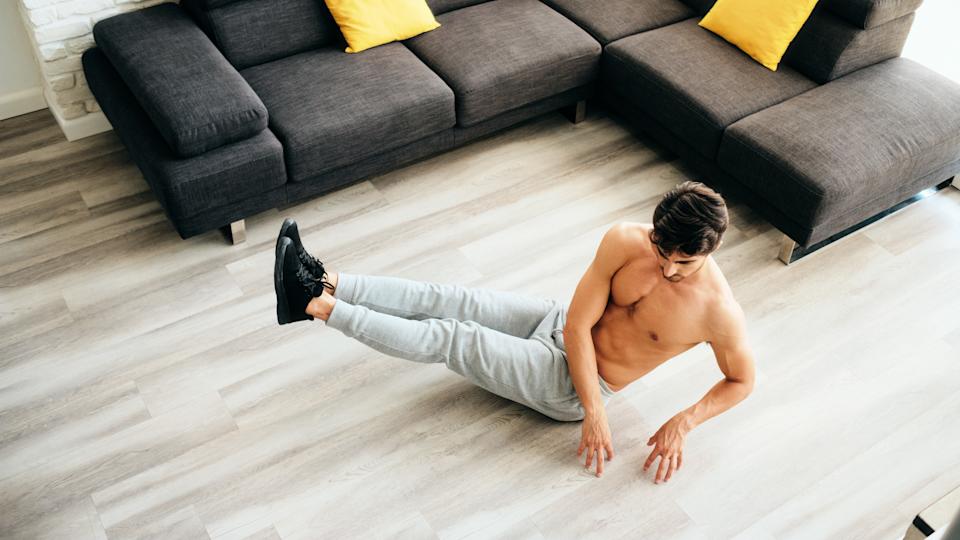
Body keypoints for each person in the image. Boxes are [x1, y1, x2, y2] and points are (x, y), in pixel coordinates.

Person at [274, 181, 756, 484]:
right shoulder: (625, 239)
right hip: (560, 324)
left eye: (685, 262)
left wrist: (684, 420)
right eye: (662, 251)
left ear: (710, 251)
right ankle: (327, 279)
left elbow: (743, 380)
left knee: (454, 336)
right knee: (453, 298)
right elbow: (578, 323)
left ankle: (313, 305)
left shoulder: (718, 311)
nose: (669, 268)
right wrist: (596, 410)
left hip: (571, 386)